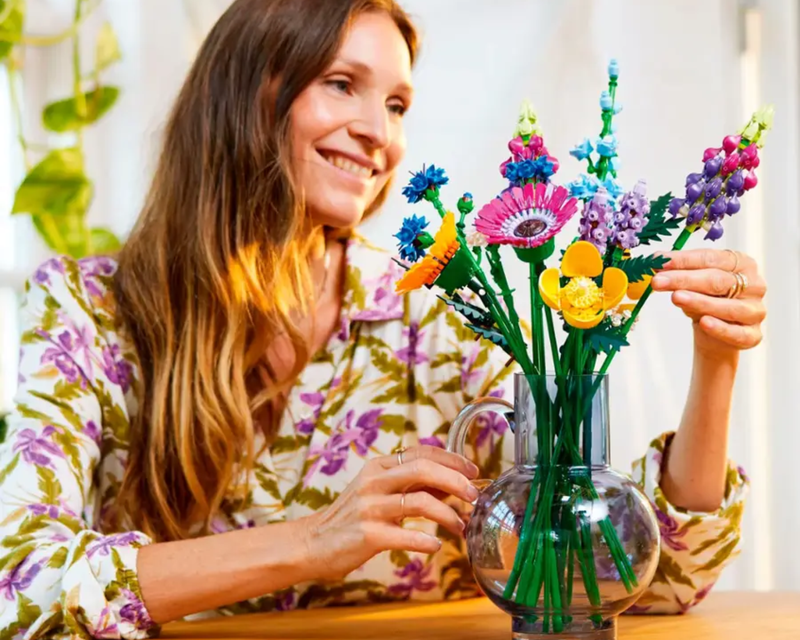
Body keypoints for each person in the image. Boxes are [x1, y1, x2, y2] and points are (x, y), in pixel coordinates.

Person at [0, 0, 766, 637]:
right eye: (342, 84)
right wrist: (312, 541)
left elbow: (634, 578)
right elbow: (20, 587)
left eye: (397, 105)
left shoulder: (445, 313)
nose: (380, 133)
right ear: (243, 95)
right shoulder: (88, 313)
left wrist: (717, 359)